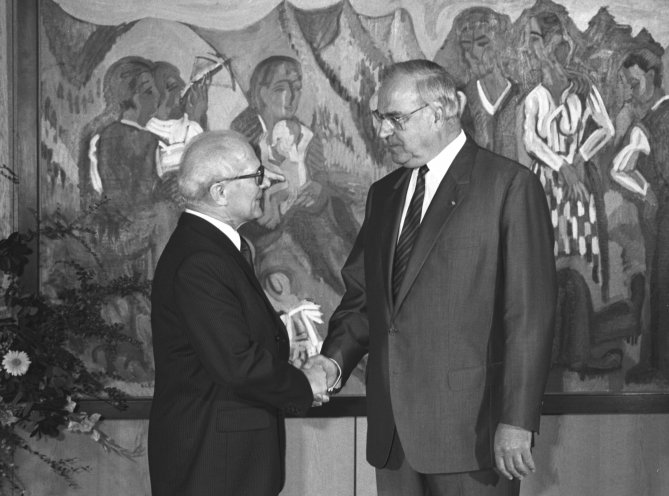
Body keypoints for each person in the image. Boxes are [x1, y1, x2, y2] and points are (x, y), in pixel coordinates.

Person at [308, 60, 557, 496]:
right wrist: (332, 361)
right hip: (392, 436)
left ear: (440, 113)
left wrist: (517, 420)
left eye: (394, 119)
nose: (383, 132)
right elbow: (365, 298)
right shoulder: (383, 195)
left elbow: (528, 316)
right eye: (379, 119)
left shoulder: (509, 187)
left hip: (473, 435)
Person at [148, 130, 328, 496]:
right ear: (219, 192)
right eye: (256, 176)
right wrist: (304, 384)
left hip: (226, 458)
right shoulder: (201, 260)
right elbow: (237, 364)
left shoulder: (216, 248)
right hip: (212, 462)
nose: (266, 184)